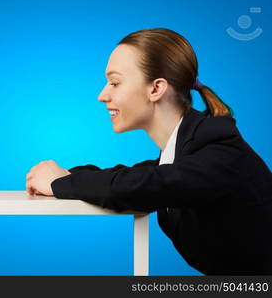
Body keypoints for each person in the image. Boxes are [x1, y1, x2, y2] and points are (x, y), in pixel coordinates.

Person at [25, 28, 272, 275]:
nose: (102, 95)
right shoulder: (184, 154)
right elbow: (137, 176)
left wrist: (59, 183)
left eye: (114, 82)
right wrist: (67, 176)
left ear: (156, 89)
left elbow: (140, 185)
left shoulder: (218, 148)